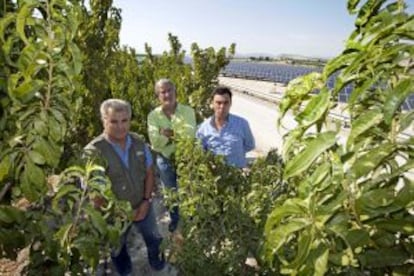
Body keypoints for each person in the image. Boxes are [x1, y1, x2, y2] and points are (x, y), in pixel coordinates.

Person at [84, 99, 169, 275]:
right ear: (103, 121)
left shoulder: (138, 142)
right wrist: (118, 213)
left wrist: (146, 201)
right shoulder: (94, 152)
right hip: (115, 216)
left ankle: (157, 263)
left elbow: (149, 173)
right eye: (113, 121)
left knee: (154, 238)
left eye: (124, 121)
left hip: (143, 206)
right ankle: (125, 271)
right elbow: (94, 194)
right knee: (117, 248)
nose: (120, 127)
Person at [147, 79, 196, 232]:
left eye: (170, 90)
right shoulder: (153, 116)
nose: (167, 94)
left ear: (175, 92)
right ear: (158, 95)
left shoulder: (188, 111)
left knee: (189, 190)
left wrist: (166, 133)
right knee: (170, 193)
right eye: (163, 92)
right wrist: (176, 134)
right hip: (165, 159)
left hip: (186, 157)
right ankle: (175, 221)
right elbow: (155, 143)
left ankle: (190, 221)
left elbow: (189, 136)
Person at [196, 86, 255, 168]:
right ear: (212, 103)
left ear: (231, 103)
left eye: (226, 102)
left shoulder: (242, 124)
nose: (222, 106)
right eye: (218, 103)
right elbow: (201, 152)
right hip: (214, 177)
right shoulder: (203, 128)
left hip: (237, 176)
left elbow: (249, 145)